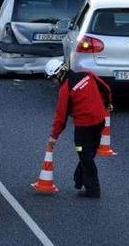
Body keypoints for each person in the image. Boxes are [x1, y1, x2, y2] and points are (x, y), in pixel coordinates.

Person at [46, 58, 112, 198]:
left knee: (82, 152)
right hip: (100, 122)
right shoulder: (87, 75)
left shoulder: (66, 89)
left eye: (53, 79)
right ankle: (80, 178)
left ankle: (93, 189)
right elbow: (105, 88)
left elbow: (61, 117)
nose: (53, 82)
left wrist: (53, 137)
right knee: (90, 152)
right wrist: (107, 104)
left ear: (58, 75)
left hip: (83, 128)